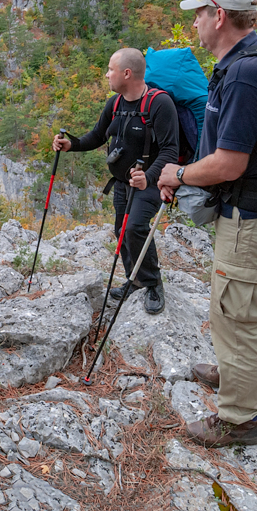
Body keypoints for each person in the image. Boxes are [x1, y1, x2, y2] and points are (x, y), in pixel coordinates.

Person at [157, 0, 257, 448]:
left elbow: (229, 163)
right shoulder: (250, 63)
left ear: (218, 16)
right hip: (247, 214)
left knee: (238, 318)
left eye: (199, 13)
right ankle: (231, 372)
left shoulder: (246, 75)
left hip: (251, 218)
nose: (195, 22)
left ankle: (240, 419)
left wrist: (179, 174)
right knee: (229, 306)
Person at [53, 47, 178, 314]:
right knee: (121, 231)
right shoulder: (116, 103)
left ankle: (152, 283)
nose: (107, 74)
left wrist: (148, 177)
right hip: (122, 183)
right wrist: (71, 145)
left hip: (149, 183)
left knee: (135, 228)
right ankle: (134, 280)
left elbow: (170, 150)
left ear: (127, 73)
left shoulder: (159, 104)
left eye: (111, 69)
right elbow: (98, 135)